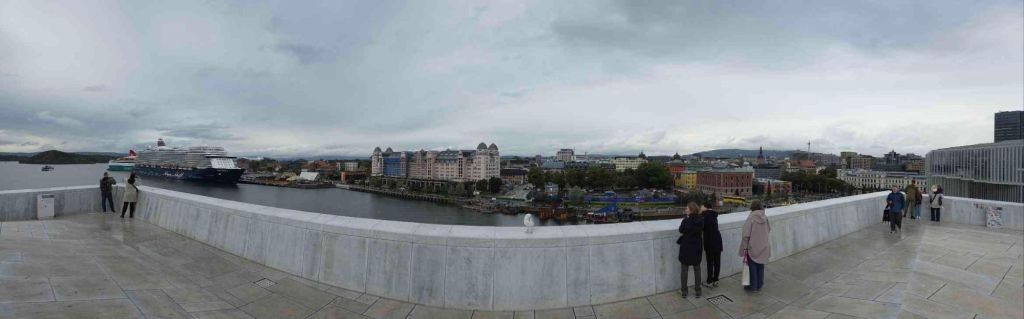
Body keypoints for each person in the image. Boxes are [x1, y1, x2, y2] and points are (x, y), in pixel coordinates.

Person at [739, 201, 771, 292]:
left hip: (752, 246)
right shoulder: (765, 217)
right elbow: (769, 229)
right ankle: (759, 285)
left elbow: (746, 235)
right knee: (760, 265)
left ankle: (753, 287)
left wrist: (745, 247)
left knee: (752, 266)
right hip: (764, 245)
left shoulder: (751, 218)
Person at [677, 202, 704, 298]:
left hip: (686, 247)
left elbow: (680, 230)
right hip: (697, 247)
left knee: (684, 269)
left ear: (691, 210)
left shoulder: (686, 220)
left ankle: (684, 291)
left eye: (687, 208)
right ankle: (698, 291)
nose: (686, 210)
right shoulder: (701, 219)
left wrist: (686, 219)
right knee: (697, 269)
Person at [700, 200, 723, 288]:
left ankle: (709, 281)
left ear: (705, 207)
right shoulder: (714, 215)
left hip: (709, 242)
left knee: (710, 262)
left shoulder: (704, 215)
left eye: (702, 206)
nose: (701, 208)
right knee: (717, 261)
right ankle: (716, 280)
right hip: (718, 240)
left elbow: (701, 227)